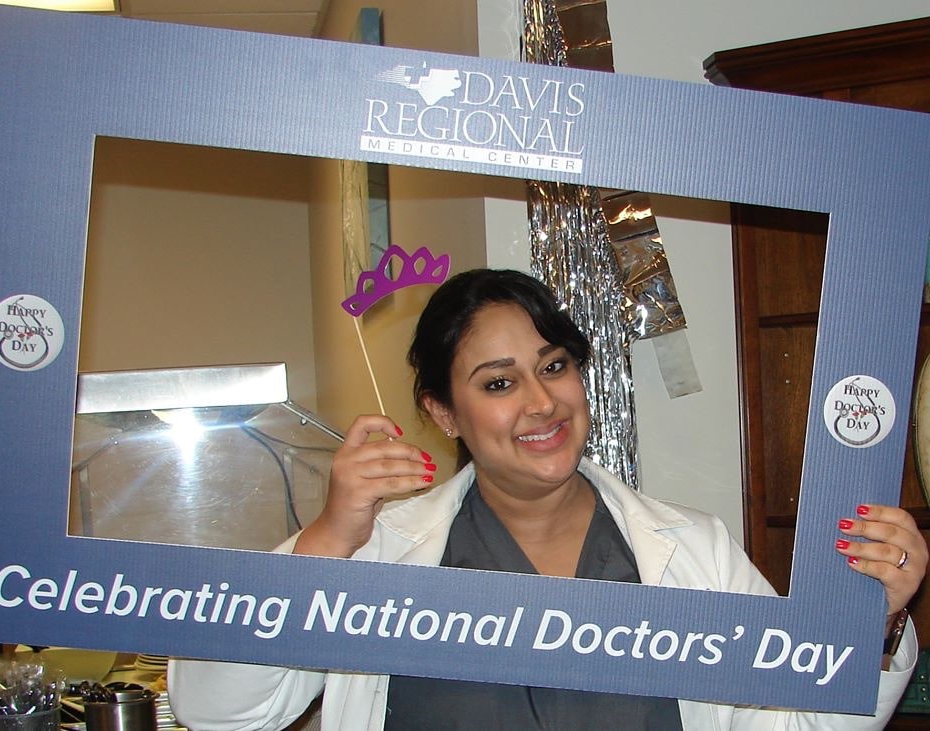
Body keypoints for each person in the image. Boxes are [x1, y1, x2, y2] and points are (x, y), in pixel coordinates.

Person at [168, 269, 927, 730]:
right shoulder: (380, 554)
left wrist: (876, 618)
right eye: (499, 382)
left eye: (554, 365)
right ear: (443, 412)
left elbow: (797, 720)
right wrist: (329, 539)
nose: (541, 402)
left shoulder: (690, 548)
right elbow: (219, 709)